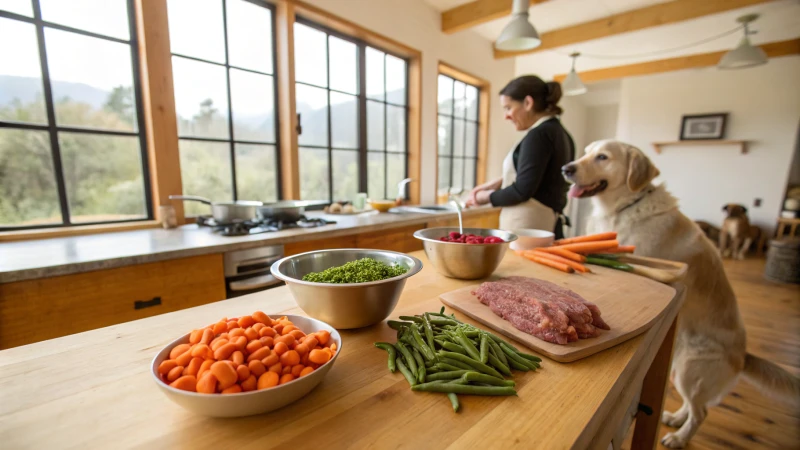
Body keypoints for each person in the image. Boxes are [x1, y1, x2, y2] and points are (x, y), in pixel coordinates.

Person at [466, 75, 575, 239]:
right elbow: (540, 177)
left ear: (528, 103)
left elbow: (522, 191)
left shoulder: (538, 135)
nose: (506, 115)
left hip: (528, 229)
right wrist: (499, 182)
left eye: (508, 107)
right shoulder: (561, 133)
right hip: (546, 224)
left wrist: (483, 198)